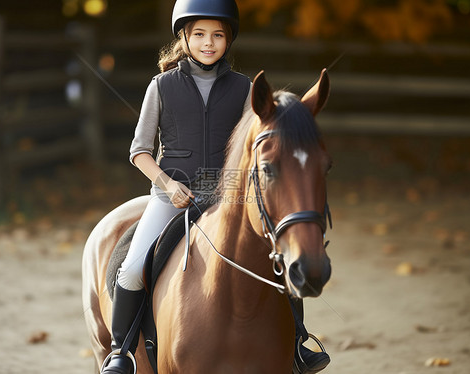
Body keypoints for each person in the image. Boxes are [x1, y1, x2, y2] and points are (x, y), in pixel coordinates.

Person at [101, 1, 330, 373]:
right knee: (130, 268)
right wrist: (167, 183)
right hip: (171, 192)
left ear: (228, 39)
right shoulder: (160, 86)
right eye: (200, 35)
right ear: (185, 37)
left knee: (275, 260)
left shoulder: (244, 88)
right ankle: (120, 351)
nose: (209, 43)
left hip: (227, 192)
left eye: (218, 35)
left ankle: (298, 343)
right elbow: (139, 151)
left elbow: (250, 148)